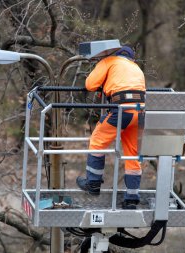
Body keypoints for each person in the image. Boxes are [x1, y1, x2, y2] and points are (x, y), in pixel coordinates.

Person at [76, 45, 146, 209]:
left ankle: (92, 183)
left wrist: (100, 69)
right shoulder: (136, 68)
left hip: (122, 109)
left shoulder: (109, 61)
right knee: (132, 153)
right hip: (140, 112)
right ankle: (132, 197)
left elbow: (90, 84)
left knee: (97, 141)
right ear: (131, 58)